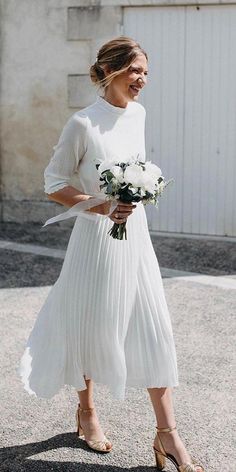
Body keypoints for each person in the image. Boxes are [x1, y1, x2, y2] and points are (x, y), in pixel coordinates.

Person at [19, 37, 204, 471]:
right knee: (88, 324)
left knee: (153, 325)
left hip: (136, 236)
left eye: (146, 73)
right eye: (136, 71)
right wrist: (102, 205)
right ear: (111, 70)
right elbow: (53, 182)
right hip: (95, 238)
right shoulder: (82, 124)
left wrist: (138, 192)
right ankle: (87, 412)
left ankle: (168, 435)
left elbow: (136, 170)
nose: (142, 80)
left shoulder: (138, 114)